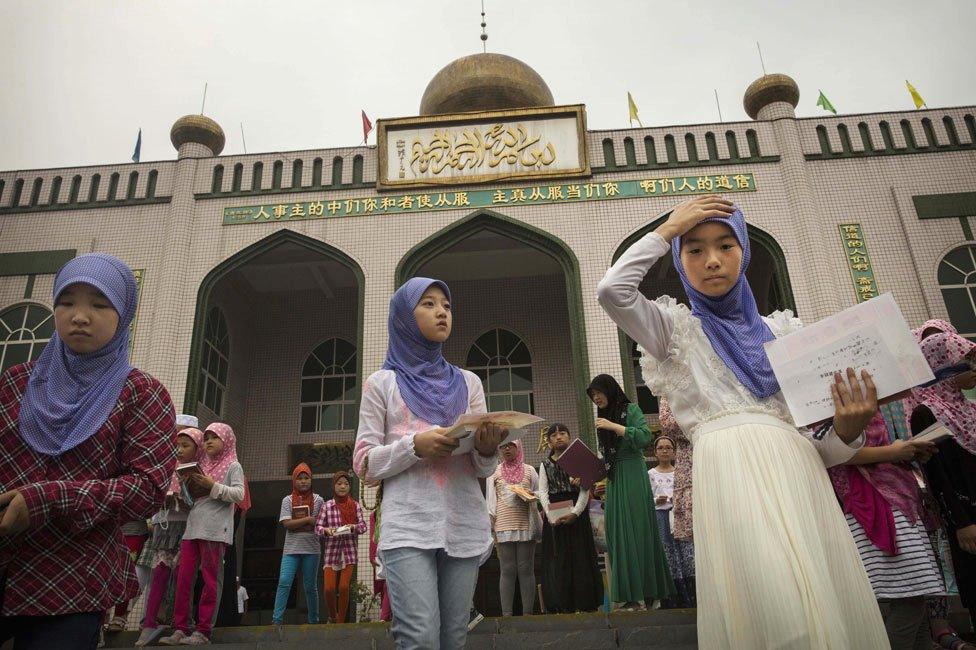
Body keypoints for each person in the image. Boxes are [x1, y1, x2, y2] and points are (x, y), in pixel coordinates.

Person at [597, 196, 890, 647]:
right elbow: (611, 291)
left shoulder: (788, 336)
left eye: (726, 246)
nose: (712, 261)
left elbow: (820, 447)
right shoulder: (675, 332)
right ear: (679, 259)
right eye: (694, 250)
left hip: (801, 479)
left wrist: (848, 431)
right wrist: (667, 229)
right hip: (729, 478)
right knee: (776, 611)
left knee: (821, 611)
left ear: (745, 252)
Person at [0, 253, 176, 650]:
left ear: (124, 314)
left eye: (99, 304)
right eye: (66, 302)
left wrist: (48, 499)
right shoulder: (14, 384)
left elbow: (147, 487)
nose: (80, 316)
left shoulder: (139, 393)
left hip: (71, 579)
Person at [353, 277, 505, 650]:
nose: (441, 312)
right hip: (408, 526)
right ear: (404, 316)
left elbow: (483, 470)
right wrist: (413, 447)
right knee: (419, 637)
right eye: (428, 304)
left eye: (447, 306)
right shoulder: (382, 383)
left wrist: (486, 450)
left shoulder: (469, 383)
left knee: (454, 638)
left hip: (463, 523)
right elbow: (364, 465)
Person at [828, 412, 942, 649]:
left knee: (915, 600)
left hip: (895, 502)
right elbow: (831, 451)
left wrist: (906, 452)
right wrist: (894, 452)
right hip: (875, 506)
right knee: (909, 601)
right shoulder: (829, 401)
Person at [907, 319, 976, 636]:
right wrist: (961, 522)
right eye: (964, 363)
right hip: (966, 517)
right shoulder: (926, 412)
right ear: (941, 367)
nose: (972, 370)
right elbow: (939, 476)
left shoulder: (968, 408)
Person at [586, 374, 674, 610]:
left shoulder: (630, 409)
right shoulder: (601, 418)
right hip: (614, 479)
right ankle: (629, 596)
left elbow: (645, 437)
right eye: (592, 396)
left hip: (633, 472)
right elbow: (607, 456)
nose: (596, 398)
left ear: (609, 390)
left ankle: (648, 592)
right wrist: (590, 476)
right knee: (617, 534)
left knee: (638, 529)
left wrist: (615, 427)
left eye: (598, 393)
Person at [160, 423, 245, 646]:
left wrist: (212, 485)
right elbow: (194, 500)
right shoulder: (199, 465)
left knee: (210, 580)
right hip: (193, 528)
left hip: (215, 531)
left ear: (226, 441)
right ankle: (181, 628)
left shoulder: (233, 466)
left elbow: (239, 494)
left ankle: (204, 631)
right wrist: (181, 494)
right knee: (183, 578)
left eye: (214, 438)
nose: (208, 442)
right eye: (206, 438)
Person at [135, 426, 205, 646]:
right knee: (160, 575)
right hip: (164, 527)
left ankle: (180, 625)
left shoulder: (201, 471)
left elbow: (199, 502)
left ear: (197, 448)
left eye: (185, 446)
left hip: (188, 527)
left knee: (183, 579)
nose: (179, 450)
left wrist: (183, 496)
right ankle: (148, 624)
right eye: (177, 445)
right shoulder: (165, 468)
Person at [537, 423, 604, 614]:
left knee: (581, 557)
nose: (559, 437)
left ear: (569, 436)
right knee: (558, 560)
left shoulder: (578, 459)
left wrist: (575, 512)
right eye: (554, 435)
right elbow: (543, 491)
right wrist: (550, 516)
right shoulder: (545, 464)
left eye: (563, 433)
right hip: (554, 516)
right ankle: (560, 604)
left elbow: (584, 489)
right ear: (548, 440)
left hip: (577, 514)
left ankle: (585, 603)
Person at [486, 439, 539, 616]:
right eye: (503, 446)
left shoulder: (530, 470)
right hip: (503, 526)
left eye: (511, 445)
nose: (507, 449)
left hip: (525, 524)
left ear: (519, 447)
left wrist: (532, 495)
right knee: (507, 569)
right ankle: (506, 615)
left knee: (526, 569)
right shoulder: (494, 472)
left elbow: (541, 493)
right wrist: (491, 524)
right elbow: (490, 501)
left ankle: (528, 615)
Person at [272, 462, 324, 628]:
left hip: (312, 549)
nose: (303, 481)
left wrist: (301, 523)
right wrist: (307, 520)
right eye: (299, 478)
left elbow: (318, 523)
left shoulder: (318, 500)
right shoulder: (287, 500)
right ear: (294, 480)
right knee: (284, 581)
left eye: (306, 478)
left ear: (311, 480)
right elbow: (287, 524)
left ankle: (314, 621)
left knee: (310, 586)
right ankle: (277, 620)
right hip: (291, 549)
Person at [648, 435, 696, 608]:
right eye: (661, 448)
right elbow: (646, 499)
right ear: (655, 452)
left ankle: (692, 597)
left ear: (674, 452)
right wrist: (656, 501)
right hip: (661, 517)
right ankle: (672, 600)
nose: (665, 450)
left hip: (680, 516)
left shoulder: (681, 473)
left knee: (687, 554)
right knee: (669, 555)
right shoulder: (650, 475)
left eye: (668, 447)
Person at [316, 471, 366, 624]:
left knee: (344, 587)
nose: (343, 486)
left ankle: (340, 622)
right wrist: (326, 530)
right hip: (332, 552)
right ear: (334, 486)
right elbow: (317, 528)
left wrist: (353, 527)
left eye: (346, 484)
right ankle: (332, 616)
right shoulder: (327, 506)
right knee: (329, 589)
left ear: (350, 486)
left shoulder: (355, 505)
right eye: (339, 483)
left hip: (349, 551)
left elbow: (363, 526)